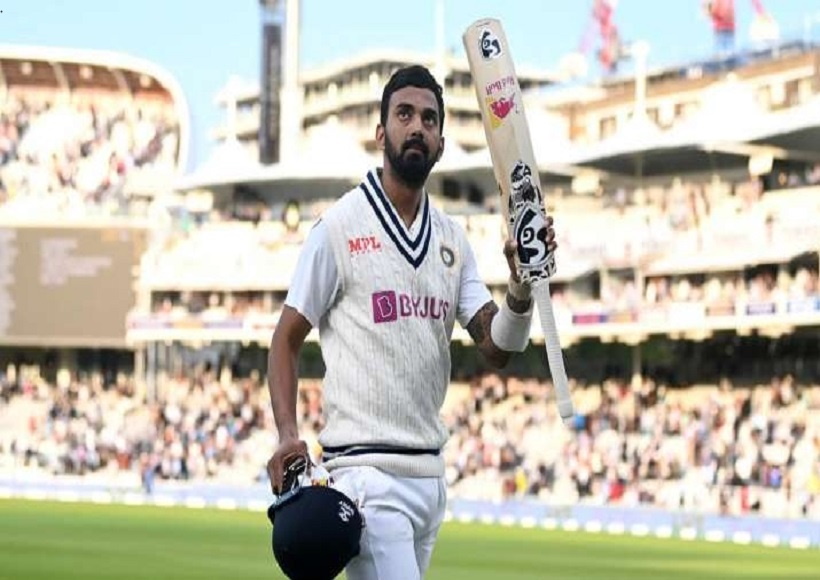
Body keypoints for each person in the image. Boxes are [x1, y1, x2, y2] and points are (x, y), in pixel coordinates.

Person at [266, 64, 557, 579]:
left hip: (430, 477)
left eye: (429, 119)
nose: (417, 126)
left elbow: (497, 347)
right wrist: (288, 434)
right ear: (381, 134)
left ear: (441, 143)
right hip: (366, 475)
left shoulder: (451, 239)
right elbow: (285, 339)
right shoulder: (339, 227)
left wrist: (520, 286)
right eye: (404, 115)